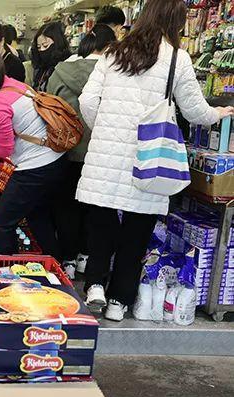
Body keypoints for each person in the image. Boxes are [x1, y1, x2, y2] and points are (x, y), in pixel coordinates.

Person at [77, 0, 234, 321]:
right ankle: (119, 302)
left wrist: (104, 128)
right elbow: (194, 110)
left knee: (101, 222)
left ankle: (94, 285)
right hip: (151, 156)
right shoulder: (177, 58)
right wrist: (218, 112)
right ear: (176, 22)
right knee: (137, 230)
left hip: (106, 154)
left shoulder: (112, 52)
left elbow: (87, 100)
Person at [0, 49, 67, 259]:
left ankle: (8, 268)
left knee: (3, 219)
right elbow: (16, 129)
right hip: (53, 159)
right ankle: (55, 261)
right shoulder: (14, 84)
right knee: (36, 213)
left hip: (35, 166)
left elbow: (4, 149)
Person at [46, 24, 117, 280]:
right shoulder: (116, 74)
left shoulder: (60, 72)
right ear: (110, 47)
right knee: (96, 210)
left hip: (65, 150)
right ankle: (87, 259)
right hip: (101, 152)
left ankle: (67, 259)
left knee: (66, 207)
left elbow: (47, 107)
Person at [30, 21, 72, 92]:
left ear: (57, 43)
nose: (42, 50)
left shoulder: (66, 66)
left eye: (45, 45)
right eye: (39, 47)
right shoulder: (41, 68)